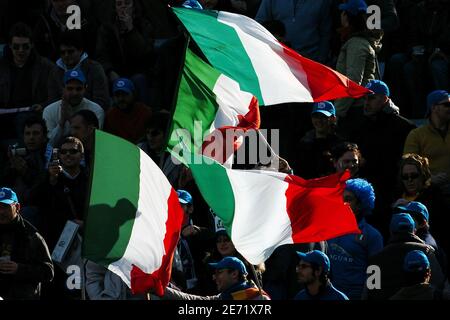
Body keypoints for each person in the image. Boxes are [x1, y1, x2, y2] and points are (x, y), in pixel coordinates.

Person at [366, 213, 445, 300]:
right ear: (414, 230)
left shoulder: (376, 259)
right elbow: (439, 282)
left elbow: (370, 292)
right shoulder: (427, 252)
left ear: (391, 231)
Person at [327, 178, 383, 299]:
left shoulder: (372, 235)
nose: (342, 203)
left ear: (360, 204)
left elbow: (375, 274)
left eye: (348, 200)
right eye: (341, 199)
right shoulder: (330, 229)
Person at [0, 22, 56, 143]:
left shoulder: (46, 67)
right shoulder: (2, 66)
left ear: (32, 45)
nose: (21, 51)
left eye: (25, 46)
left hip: (32, 113)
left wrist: (43, 105)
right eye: (16, 46)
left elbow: (55, 96)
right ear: (10, 45)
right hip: (5, 112)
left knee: (23, 121)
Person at [0, 187, 54, 300]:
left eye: (5, 207)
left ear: (17, 207)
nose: (1, 212)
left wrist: (19, 269)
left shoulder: (32, 236)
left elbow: (48, 272)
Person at [334, 0, 383, 119]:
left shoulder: (356, 44)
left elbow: (354, 81)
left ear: (347, 17)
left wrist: (336, 112)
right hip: (358, 107)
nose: (341, 15)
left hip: (356, 109)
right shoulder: (360, 41)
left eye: (343, 12)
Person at [48, 30, 110, 110]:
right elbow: (52, 103)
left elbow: (102, 102)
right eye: (63, 52)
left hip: (90, 117)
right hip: (63, 116)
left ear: (80, 50)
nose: (66, 55)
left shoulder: (94, 69)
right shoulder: (54, 72)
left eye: (70, 51)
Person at [255, 0, 333, 64]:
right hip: (278, 59)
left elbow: (326, 33)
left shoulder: (321, 2)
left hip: (309, 62)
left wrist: (320, 60)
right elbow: (258, 26)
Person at [403, 90, 450, 194]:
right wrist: (429, 180)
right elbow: (408, 165)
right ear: (434, 108)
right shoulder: (417, 135)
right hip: (430, 192)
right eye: (447, 105)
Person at [43, 69, 104, 147]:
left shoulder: (96, 110)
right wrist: (61, 122)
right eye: (70, 88)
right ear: (63, 88)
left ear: (85, 88)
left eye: (78, 89)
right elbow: (49, 145)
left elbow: (94, 143)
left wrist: (71, 119)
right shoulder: (49, 110)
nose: (74, 93)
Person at [164, 256, 270, 300]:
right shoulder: (223, 297)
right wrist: (164, 287)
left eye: (219, 272)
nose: (214, 277)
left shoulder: (258, 297)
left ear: (234, 274)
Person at [294, 101, 343, 179]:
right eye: (316, 116)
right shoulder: (304, 142)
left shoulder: (340, 143)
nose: (319, 120)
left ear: (333, 119)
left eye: (323, 117)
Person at [104, 78, 152, 144]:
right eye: (117, 95)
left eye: (125, 94)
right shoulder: (110, 115)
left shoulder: (145, 112)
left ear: (133, 94)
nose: (121, 98)